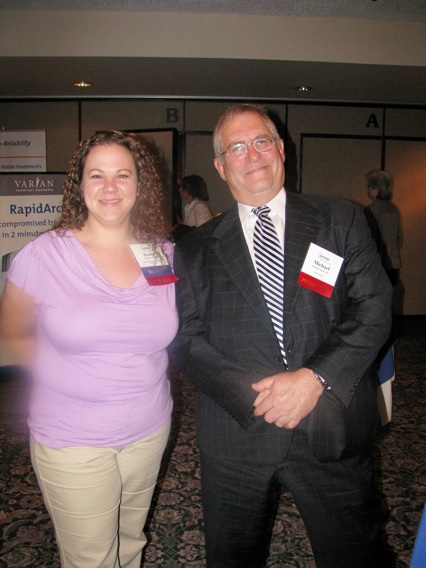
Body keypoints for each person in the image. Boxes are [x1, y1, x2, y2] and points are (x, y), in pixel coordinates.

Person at [170, 104, 394, 568]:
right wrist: (257, 397)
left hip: (329, 425)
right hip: (236, 433)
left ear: (281, 150)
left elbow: (375, 306)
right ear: (220, 165)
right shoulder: (194, 248)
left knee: (356, 556)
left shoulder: (339, 219)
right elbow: (186, 339)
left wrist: (314, 378)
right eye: (236, 147)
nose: (251, 154)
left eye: (261, 141)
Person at [0, 131, 179, 568]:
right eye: (96, 175)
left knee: (131, 541)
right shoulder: (43, 256)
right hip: (73, 438)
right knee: (92, 560)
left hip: (148, 429)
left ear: (140, 185)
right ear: (79, 185)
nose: (110, 186)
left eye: (123, 174)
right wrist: (76, 383)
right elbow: (12, 331)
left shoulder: (162, 253)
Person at [364, 169, 402, 287]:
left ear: (376, 190)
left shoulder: (372, 209)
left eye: (369, 187)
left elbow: (370, 238)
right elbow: (399, 240)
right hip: (394, 265)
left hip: (377, 264)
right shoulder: (394, 209)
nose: (368, 190)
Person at [172, 174, 213, 242]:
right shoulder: (190, 207)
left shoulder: (200, 207)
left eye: (182, 187)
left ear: (188, 190)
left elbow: (203, 233)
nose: (179, 190)